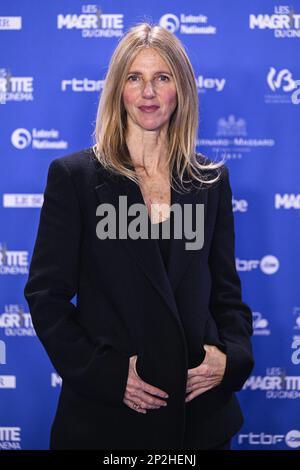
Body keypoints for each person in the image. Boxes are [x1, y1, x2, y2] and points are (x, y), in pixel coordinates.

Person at [24, 22, 254, 450]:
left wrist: (231, 359)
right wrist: (108, 376)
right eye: (135, 78)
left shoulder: (209, 182)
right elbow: (46, 297)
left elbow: (226, 295)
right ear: (119, 90)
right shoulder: (75, 179)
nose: (148, 92)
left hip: (198, 421)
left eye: (162, 77)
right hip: (106, 420)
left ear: (180, 89)